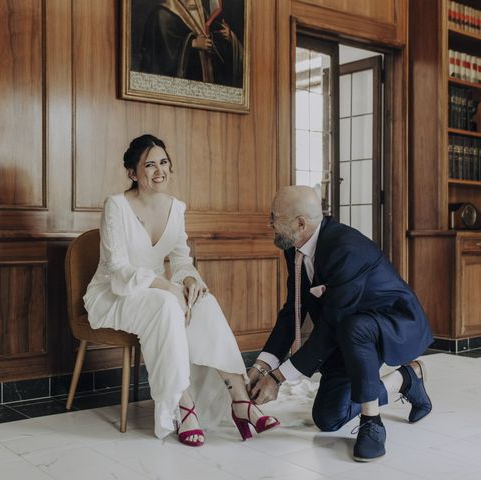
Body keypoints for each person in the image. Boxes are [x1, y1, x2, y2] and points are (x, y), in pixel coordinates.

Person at [83, 134, 278, 446]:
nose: (159, 170)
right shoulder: (116, 206)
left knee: (205, 302)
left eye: (163, 162)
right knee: (166, 305)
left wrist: (187, 280)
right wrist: (167, 288)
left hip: (159, 293)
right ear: (133, 173)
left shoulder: (176, 208)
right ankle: (183, 405)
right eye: (149, 164)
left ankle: (240, 399)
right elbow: (118, 269)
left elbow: (182, 261)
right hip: (114, 294)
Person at [248, 186, 434, 462]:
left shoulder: (345, 248)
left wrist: (278, 378)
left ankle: (373, 424)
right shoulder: (294, 247)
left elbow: (333, 325)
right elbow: (293, 311)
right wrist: (262, 366)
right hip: (347, 334)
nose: (270, 224)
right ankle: (406, 378)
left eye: (274, 217)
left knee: (353, 326)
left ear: (300, 223)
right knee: (328, 418)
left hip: (393, 324)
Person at [138, 0, 244, 87]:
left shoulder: (201, 11)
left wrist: (229, 37)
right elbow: (158, 55)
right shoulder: (162, 13)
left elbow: (218, 50)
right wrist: (192, 43)